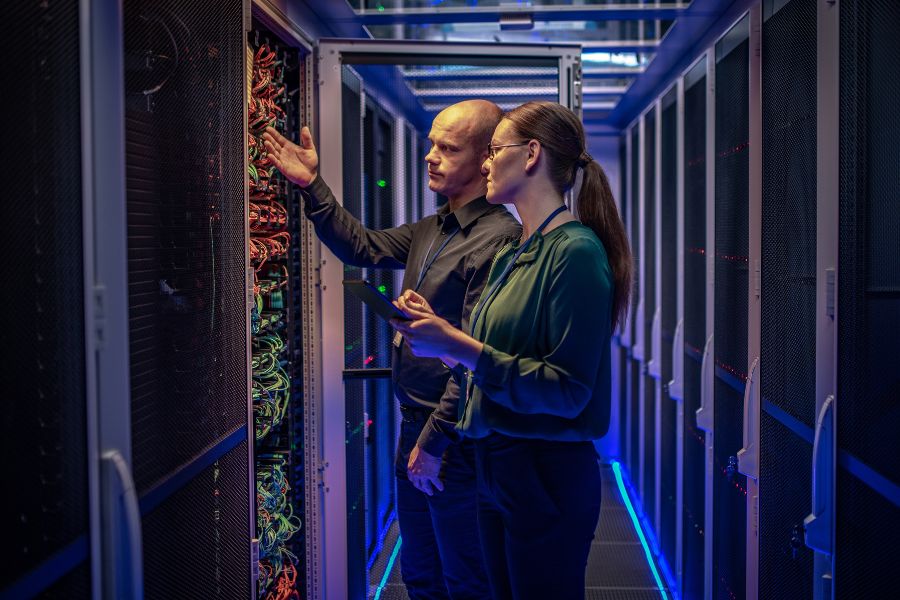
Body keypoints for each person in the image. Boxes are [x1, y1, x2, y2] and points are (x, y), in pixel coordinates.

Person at [262, 99, 520, 600]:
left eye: (448, 147)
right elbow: (361, 246)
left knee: (466, 578)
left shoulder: (499, 239)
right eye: (431, 143)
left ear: (486, 158)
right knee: (420, 573)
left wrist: (435, 442)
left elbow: (477, 358)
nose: (430, 156)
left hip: (455, 437)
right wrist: (310, 186)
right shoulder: (434, 228)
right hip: (414, 425)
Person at [390, 101, 633, 600]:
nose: (484, 163)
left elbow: (569, 393)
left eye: (494, 150)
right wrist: (436, 333)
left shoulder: (575, 251)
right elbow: (489, 357)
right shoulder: (515, 252)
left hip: (545, 474)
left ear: (531, 155)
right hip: (495, 465)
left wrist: (461, 346)